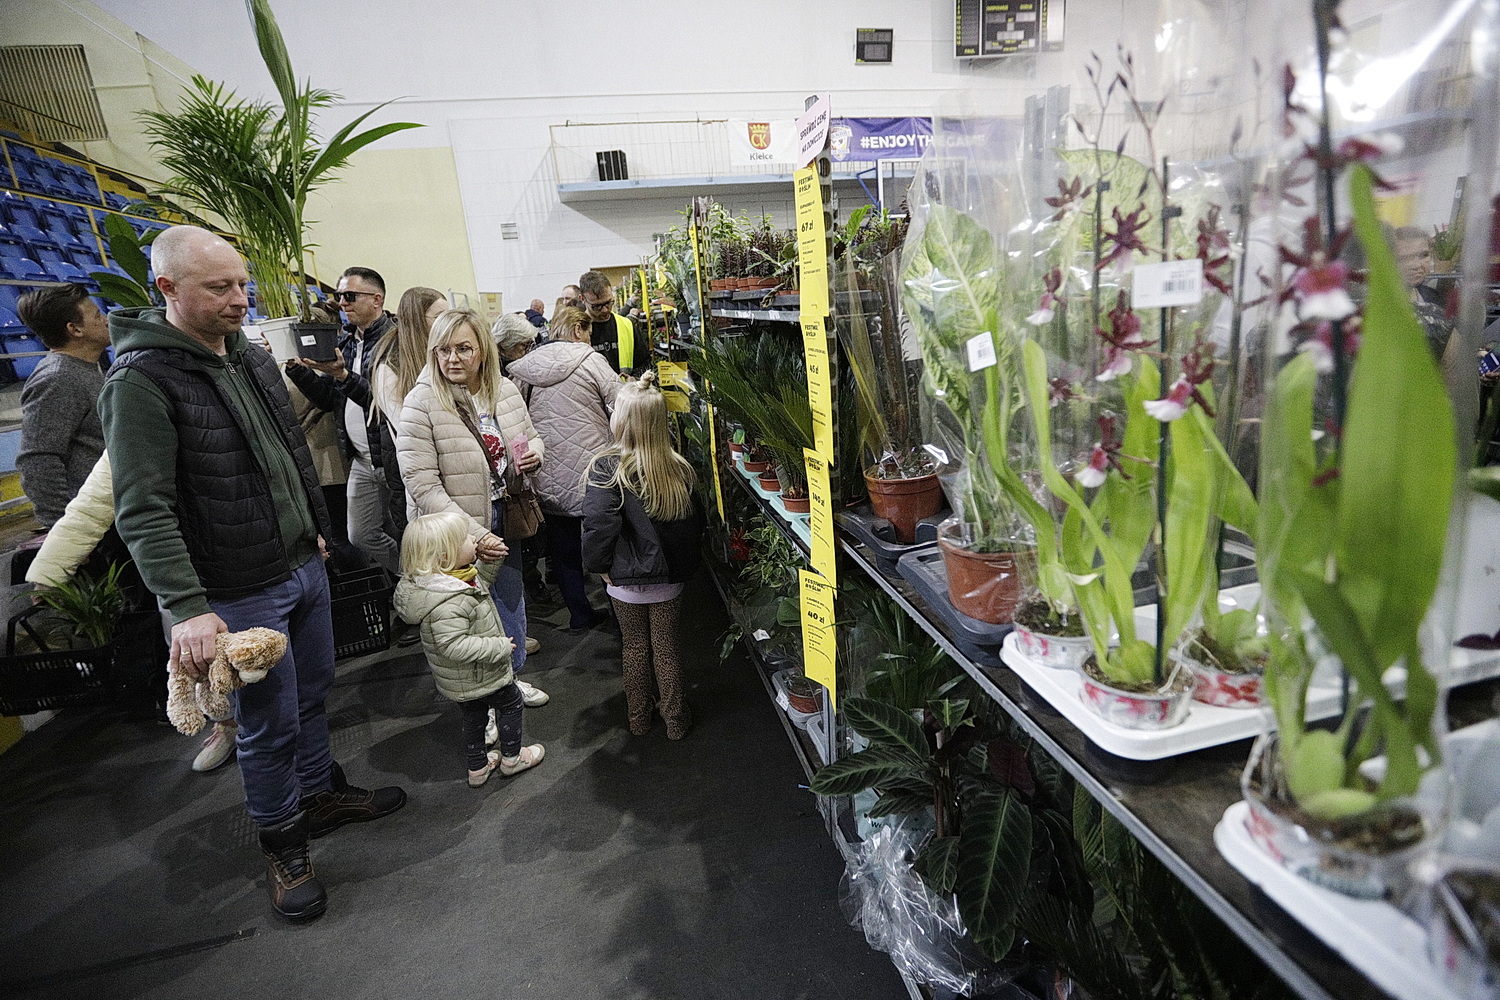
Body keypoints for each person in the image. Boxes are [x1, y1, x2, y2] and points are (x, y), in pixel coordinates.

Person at [98, 225, 406, 922]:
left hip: (301, 566)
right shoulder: (142, 380)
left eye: (243, 284)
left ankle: (317, 795)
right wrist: (186, 604)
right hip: (237, 589)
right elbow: (143, 509)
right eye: (220, 288)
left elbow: (288, 454)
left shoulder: (248, 354)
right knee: (266, 725)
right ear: (168, 289)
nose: (240, 299)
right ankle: (283, 843)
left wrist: (320, 535)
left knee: (313, 694)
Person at [397, 308, 549, 707]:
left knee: (510, 605)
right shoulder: (421, 403)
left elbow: (532, 437)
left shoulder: (505, 390)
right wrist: (476, 535)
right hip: (454, 537)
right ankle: (483, 702)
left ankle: (511, 683)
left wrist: (534, 453)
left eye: (464, 348)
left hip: (506, 515)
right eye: (444, 350)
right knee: (468, 621)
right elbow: (422, 485)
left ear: (484, 349)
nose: (453, 359)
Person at [582, 372, 704, 739]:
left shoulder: (606, 468)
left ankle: (638, 718)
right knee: (666, 648)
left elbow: (598, 525)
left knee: (634, 646)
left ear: (620, 420)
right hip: (668, 580)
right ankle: (676, 720)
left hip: (623, 579)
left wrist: (599, 568)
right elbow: (694, 524)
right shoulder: (678, 468)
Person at [392, 512, 545, 786]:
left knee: (474, 715)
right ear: (444, 556)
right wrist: (497, 647)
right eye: (464, 538)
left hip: (464, 680)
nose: (473, 538)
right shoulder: (446, 602)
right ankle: (512, 758)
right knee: (511, 702)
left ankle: (478, 768)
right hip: (480, 672)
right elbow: (453, 644)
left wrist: (491, 560)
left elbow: (480, 583)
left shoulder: (450, 580)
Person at [508, 305, 619, 630]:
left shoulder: (523, 370)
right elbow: (620, 406)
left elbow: (516, 419)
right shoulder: (592, 362)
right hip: (595, 473)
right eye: (587, 333)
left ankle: (580, 615)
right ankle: (620, 615)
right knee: (609, 547)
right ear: (577, 330)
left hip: (548, 474)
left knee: (564, 552)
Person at [286, 266, 401, 574]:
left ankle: (420, 586)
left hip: (394, 457)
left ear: (376, 300)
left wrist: (343, 375)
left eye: (350, 296)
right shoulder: (347, 343)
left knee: (409, 532)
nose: (343, 303)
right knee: (361, 535)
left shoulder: (395, 343)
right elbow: (329, 398)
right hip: (361, 459)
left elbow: (386, 405)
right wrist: (299, 370)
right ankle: (410, 578)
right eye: (339, 297)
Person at [15, 283, 110, 528]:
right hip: (90, 521)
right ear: (75, 329)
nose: (107, 320)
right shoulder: (57, 378)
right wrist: (63, 526)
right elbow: (38, 459)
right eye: (98, 316)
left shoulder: (89, 367)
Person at [1395, 226, 1454, 362]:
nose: (1417, 264)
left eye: (1424, 255)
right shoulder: (1373, 308)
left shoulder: (1438, 301)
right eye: (1406, 257)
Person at [579, 270, 649, 376]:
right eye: (597, 306)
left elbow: (644, 364)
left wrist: (635, 379)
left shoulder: (627, 325)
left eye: (609, 303)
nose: (605, 310)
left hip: (624, 390)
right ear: (582, 299)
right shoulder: (576, 330)